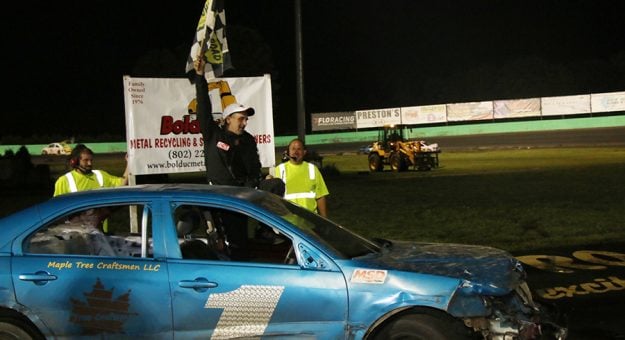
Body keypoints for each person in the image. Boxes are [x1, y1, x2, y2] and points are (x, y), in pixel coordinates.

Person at [275, 138, 329, 217]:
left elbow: (320, 196)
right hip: (288, 222)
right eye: (293, 149)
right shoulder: (279, 170)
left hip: (310, 220)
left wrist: (324, 219)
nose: (296, 152)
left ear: (304, 152)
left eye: (299, 149)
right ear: (288, 152)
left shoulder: (312, 169)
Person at [53, 144, 128, 197]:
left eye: (91, 160)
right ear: (75, 161)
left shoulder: (100, 175)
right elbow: (56, 207)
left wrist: (129, 163)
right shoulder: (63, 181)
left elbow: (122, 183)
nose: (89, 163)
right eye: (85, 160)